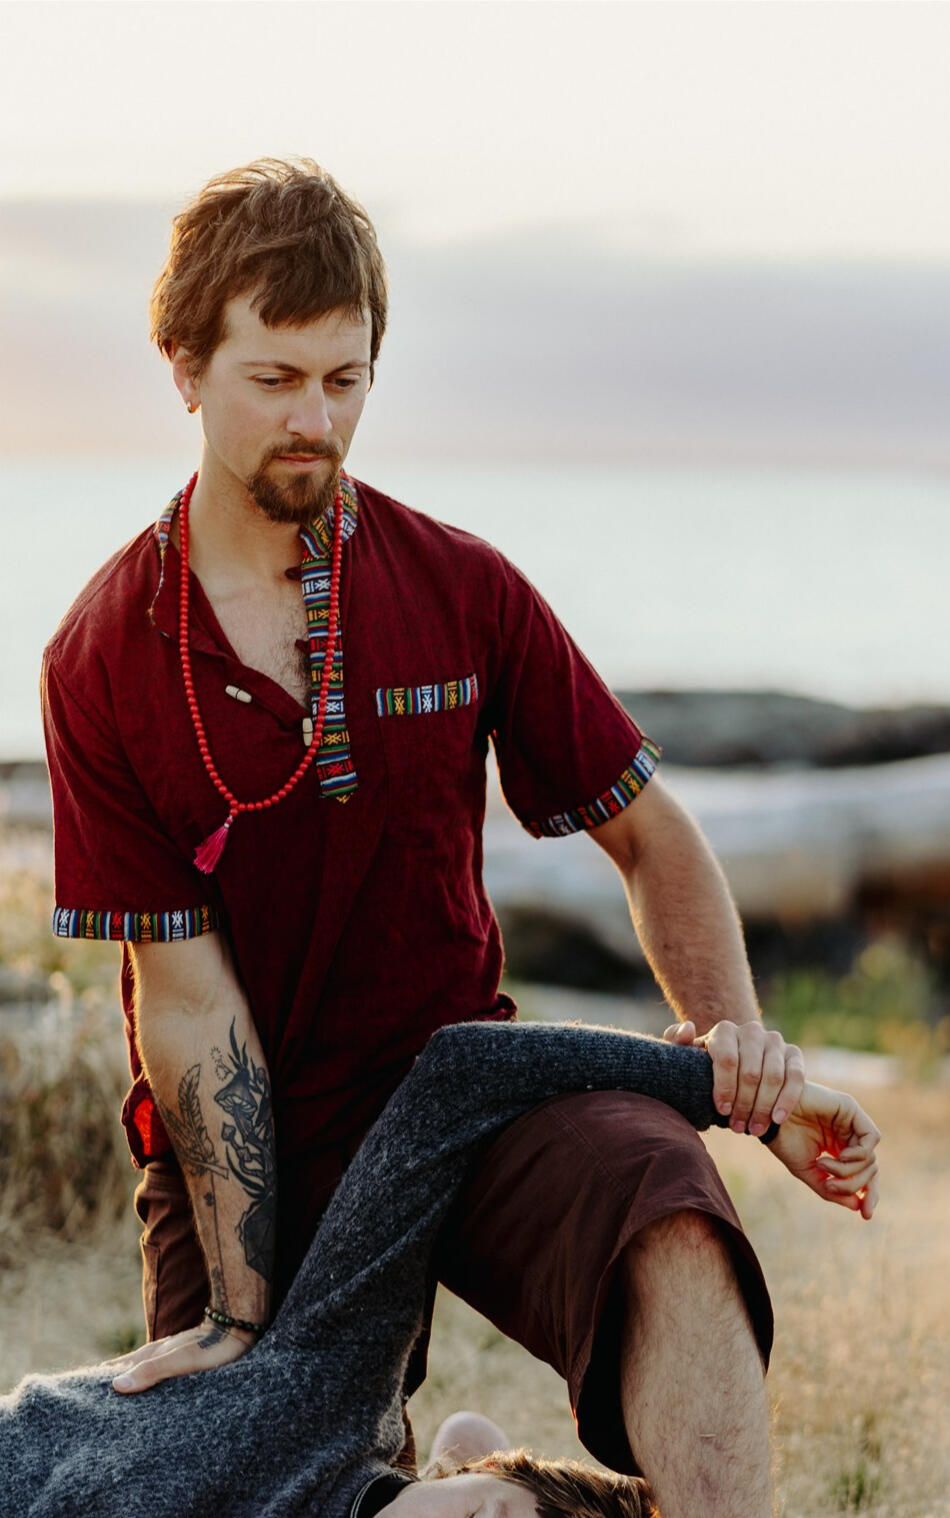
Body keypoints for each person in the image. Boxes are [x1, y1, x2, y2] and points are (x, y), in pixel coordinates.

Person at [41, 156, 828, 1514]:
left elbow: (653, 836)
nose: (316, 419)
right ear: (184, 367)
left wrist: (737, 1050)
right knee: (235, 1480)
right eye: (275, 379)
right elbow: (187, 1002)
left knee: (668, 1207)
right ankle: (483, 1482)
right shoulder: (105, 653)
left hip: (463, 1092)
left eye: (344, 379)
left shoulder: (460, 588)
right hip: (258, 1133)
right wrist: (239, 1311)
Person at [0, 1020, 880, 1518]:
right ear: (471, 1471)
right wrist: (732, 1096)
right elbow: (459, 1074)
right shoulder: (332, 1399)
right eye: (496, 1517)